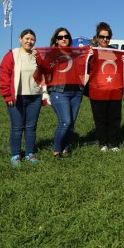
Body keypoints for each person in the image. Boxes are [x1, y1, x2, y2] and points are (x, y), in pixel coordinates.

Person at [0, 29, 45, 167]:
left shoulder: (37, 55)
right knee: (17, 127)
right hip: (16, 97)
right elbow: (4, 75)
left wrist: (40, 58)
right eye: (27, 38)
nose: (29, 41)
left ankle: (30, 154)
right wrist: (7, 95)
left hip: (35, 97)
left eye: (32, 39)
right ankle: (16, 155)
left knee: (31, 127)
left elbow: (45, 71)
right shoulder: (12, 54)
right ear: (20, 39)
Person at [47, 27, 84, 159]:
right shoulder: (51, 54)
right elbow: (43, 68)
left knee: (71, 123)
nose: (64, 39)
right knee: (65, 122)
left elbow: (84, 67)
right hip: (59, 91)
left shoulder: (75, 53)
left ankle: (66, 149)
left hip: (76, 92)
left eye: (66, 36)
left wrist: (88, 52)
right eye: (60, 37)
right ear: (56, 40)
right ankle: (56, 150)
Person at [88, 22, 124, 152]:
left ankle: (114, 143)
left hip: (114, 90)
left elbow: (123, 67)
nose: (105, 39)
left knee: (114, 119)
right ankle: (103, 143)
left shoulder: (115, 53)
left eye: (107, 37)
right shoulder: (91, 52)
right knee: (100, 119)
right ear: (97, 37)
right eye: (102, 37)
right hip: (97, 91)